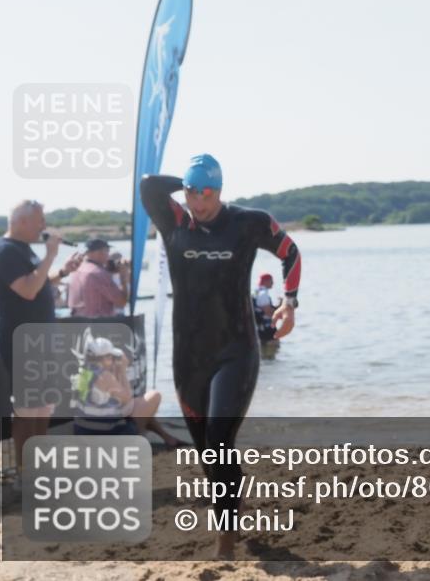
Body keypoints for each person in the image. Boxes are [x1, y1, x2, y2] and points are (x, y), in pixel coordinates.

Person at [140, 153, 302, 559]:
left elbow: (290, 252)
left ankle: (225, 541)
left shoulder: (248, 223)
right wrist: (189, 178)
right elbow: (147, 185)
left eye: (206, 192)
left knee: (217, 440)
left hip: (237, 349)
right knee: (209, 454)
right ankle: (233, 503)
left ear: (221, 190)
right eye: (193, 193)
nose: (198, 201)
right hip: (190, 358)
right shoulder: (174, 221)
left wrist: (289, 302)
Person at [0, 201, 82, 480]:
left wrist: (62, 272)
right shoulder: (4, 252)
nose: (44, 226)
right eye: (40, 220)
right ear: (22, 222)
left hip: (40, 340)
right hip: (20, 340)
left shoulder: (23, 250)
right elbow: (27, 290)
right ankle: (24, 472)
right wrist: (50, 254)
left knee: (42, 405)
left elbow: (36, 284)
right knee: (27, 408)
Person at [67, 238, 130, 317]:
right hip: (98, 325)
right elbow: (122, 302)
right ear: (100, 252)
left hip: (77, 323)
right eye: (107, 251)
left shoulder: (76, 270)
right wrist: (124, 277)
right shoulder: (99, 273)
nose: (108, 255)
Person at [252, 273, 278, 345]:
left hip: (260, 326)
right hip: (267, 327)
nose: (273, 283)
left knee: (264, 348)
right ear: (266, 281)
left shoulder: (256, 291)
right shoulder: (263, 294)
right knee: (274, 346)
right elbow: (268, 312)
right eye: (271, 281)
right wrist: (280, 309)